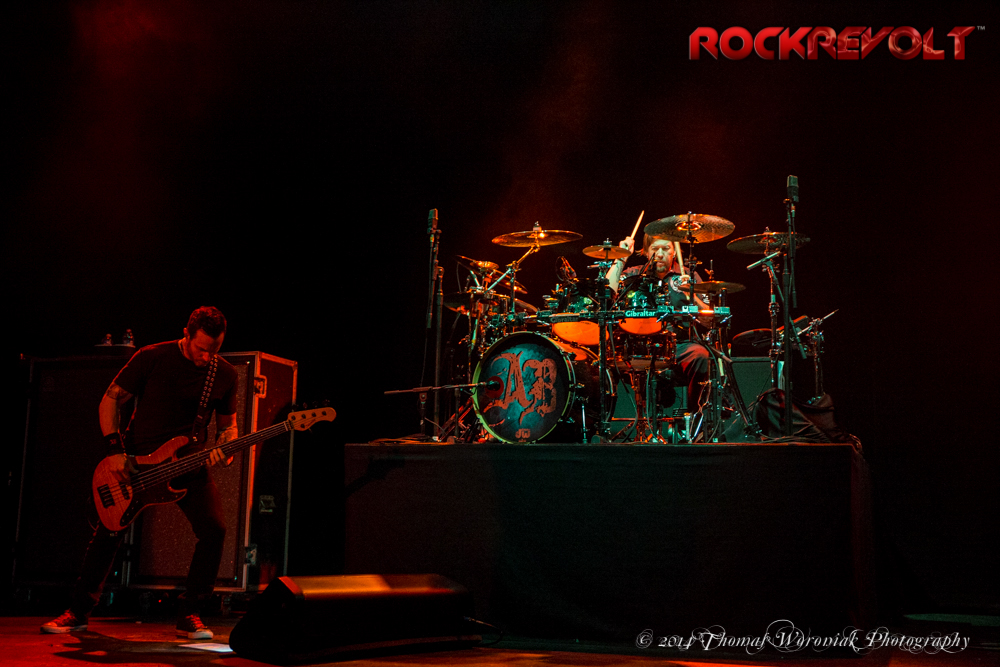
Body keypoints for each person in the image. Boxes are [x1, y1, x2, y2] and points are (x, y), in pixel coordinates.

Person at [41, 306, 239, 640]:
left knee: (215, 530)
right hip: (136, 463)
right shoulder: (151, 357)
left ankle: (190, 613)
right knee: (109, 532)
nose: (206, 357)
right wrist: (115, 451)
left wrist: (226, 447)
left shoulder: (225, 374)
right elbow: (109, 400)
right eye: (201, 348)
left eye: (214, 350)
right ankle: (77, 612)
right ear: (186, 334)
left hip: (186, 464)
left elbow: (227, 427)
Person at [606, 234, 711, 412]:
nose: (660, 254)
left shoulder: (688, 275)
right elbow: (606, 292)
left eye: (666, 248)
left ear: (674, 252)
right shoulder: (634, 274)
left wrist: (691, 295)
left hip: (679, 346)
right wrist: (621, 258)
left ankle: (695, 418)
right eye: (655, 249)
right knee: (603, 361)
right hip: (638, 346)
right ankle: (606, 422)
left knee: (701, 356)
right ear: (646, 252)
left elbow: (709, 321)